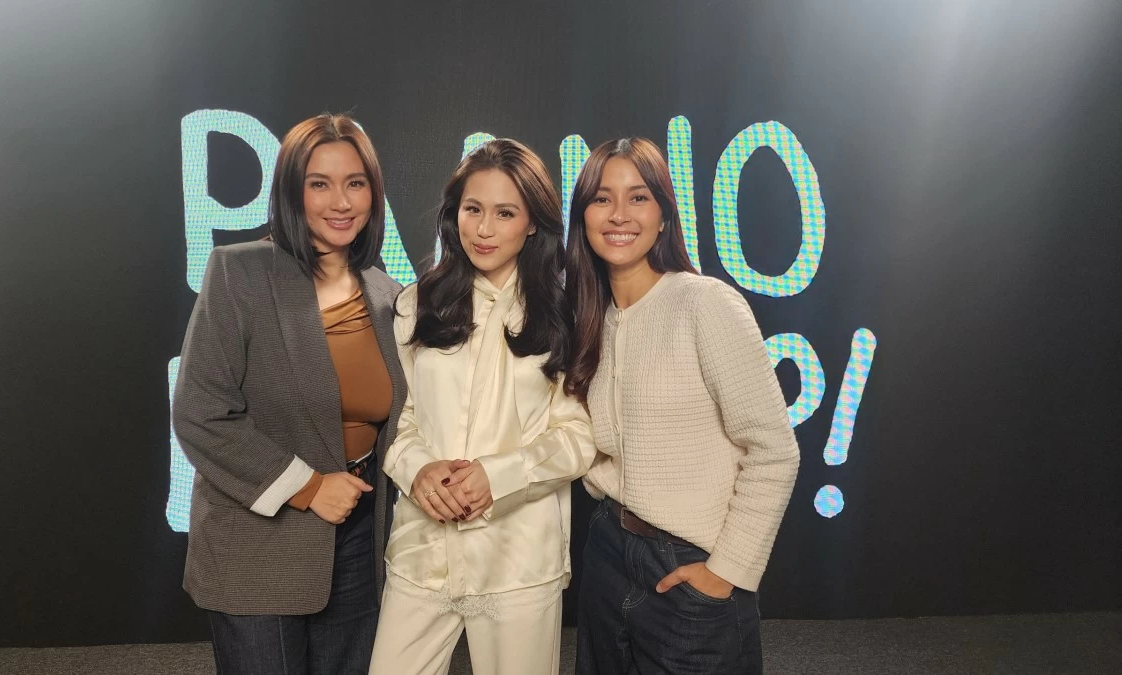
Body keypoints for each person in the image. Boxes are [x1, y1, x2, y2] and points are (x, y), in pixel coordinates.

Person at [173, 113, 405, 674]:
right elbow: (201, 413)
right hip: (259, 542)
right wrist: (309, 487)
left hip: (361, 534)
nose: (341, 202)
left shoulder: (387, 293)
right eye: (319, 183)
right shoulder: (240, 272)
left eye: (355, 183)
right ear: (290, 192)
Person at [565, 137, 800, 674]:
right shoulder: (589, 319)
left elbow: (774, 450)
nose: (619, 214)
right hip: (607, 552)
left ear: (664, 216)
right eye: (602, 198)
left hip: (688, 563)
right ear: (583, 216)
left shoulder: (703, 302)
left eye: (638, 197)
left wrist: (727, 571)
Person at [368, 139, 596, 675]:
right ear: (455, 214)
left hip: (519, 558)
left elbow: (579, 436)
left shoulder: (565, 314)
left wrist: (499, 477)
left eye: (505, 213)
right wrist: (417, 469)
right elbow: (400, 417)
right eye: (473, 209)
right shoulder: (415, 305)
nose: (484, 229)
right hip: (423, 547)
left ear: (533, 223)